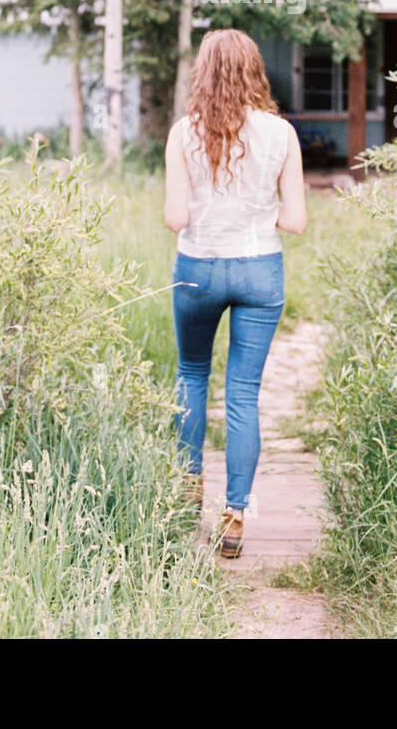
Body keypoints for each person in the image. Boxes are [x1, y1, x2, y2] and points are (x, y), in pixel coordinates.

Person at [164, 29, 307, 558]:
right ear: (254, 70)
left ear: (203, 72)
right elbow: (295, 221)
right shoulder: (281, 134)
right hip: (259, 271)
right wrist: (253, 213)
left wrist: (211, 212)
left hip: (198, 267)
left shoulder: (183, 133)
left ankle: (186, 496)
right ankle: (235, 515)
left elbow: (175, 217)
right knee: (243, 393)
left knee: (191, 376)